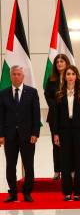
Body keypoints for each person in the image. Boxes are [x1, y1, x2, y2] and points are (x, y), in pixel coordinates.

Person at [0, 66, 41, 202]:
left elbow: (36, 114)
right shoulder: (3, 93)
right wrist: (1, 135)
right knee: (10, 165)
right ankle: (12, 193)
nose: (16, 76)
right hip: (10, 136)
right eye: (14, 74)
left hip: (28, 136)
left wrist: (35, 133)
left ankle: (27, 192)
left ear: (23, 76)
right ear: (10, 76)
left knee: (29, 165)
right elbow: (1, 116)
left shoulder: (32, 92)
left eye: (19, 74)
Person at [52, 65, 80, 201]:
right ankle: (67, 192)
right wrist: (55, 134)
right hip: (63, 131)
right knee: (65, 162)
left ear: (76, 76)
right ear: (65, 76)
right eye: (68, 74)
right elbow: (55, 116)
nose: (70, 76)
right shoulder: (59, 94)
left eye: (73, 74)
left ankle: (79, 191)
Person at [44, 53, 69, 179]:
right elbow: (47, 94)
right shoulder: (51, 79)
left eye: (62, 61)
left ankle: (70, 170)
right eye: (57, 62)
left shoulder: (70, 77)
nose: (59, 63)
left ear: (66, 63)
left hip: (68, 116)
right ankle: (57, 171)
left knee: (69, 144)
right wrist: (55, 105)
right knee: (56, 143)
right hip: (54, 116)